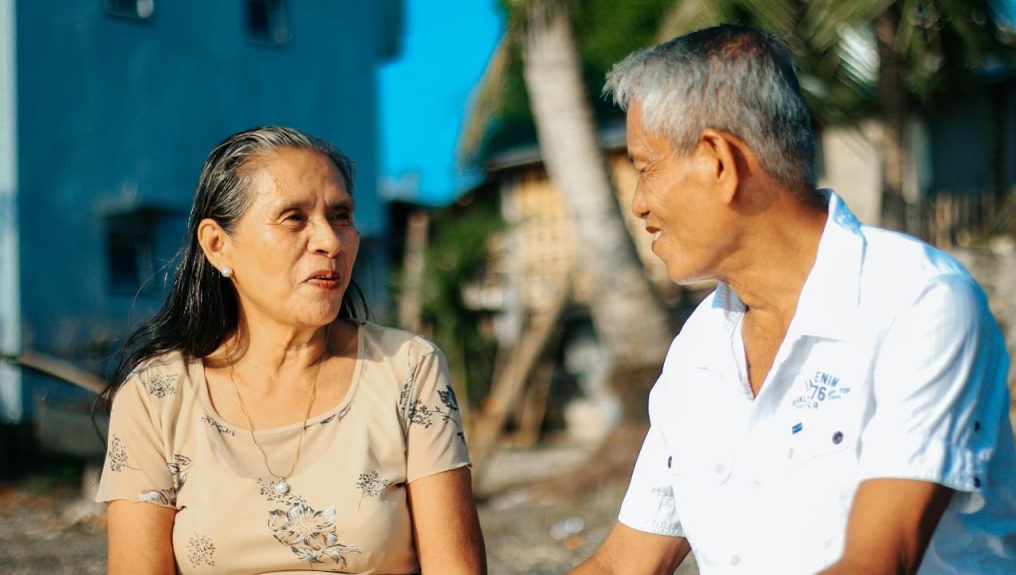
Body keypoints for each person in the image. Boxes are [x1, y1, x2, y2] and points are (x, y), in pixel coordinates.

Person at [572, 24, 1016, 575]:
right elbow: (622, 566)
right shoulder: (699, 350)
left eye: (645, 168)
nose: (638, 204)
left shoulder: (918, 305)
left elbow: (876, 563)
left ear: (717, 160)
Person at [96, 126, 487, 574]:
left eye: (341, 216)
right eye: (294, 218)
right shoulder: (156, 396)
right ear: (218, 245)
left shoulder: (406, 370)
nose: (330, 241)